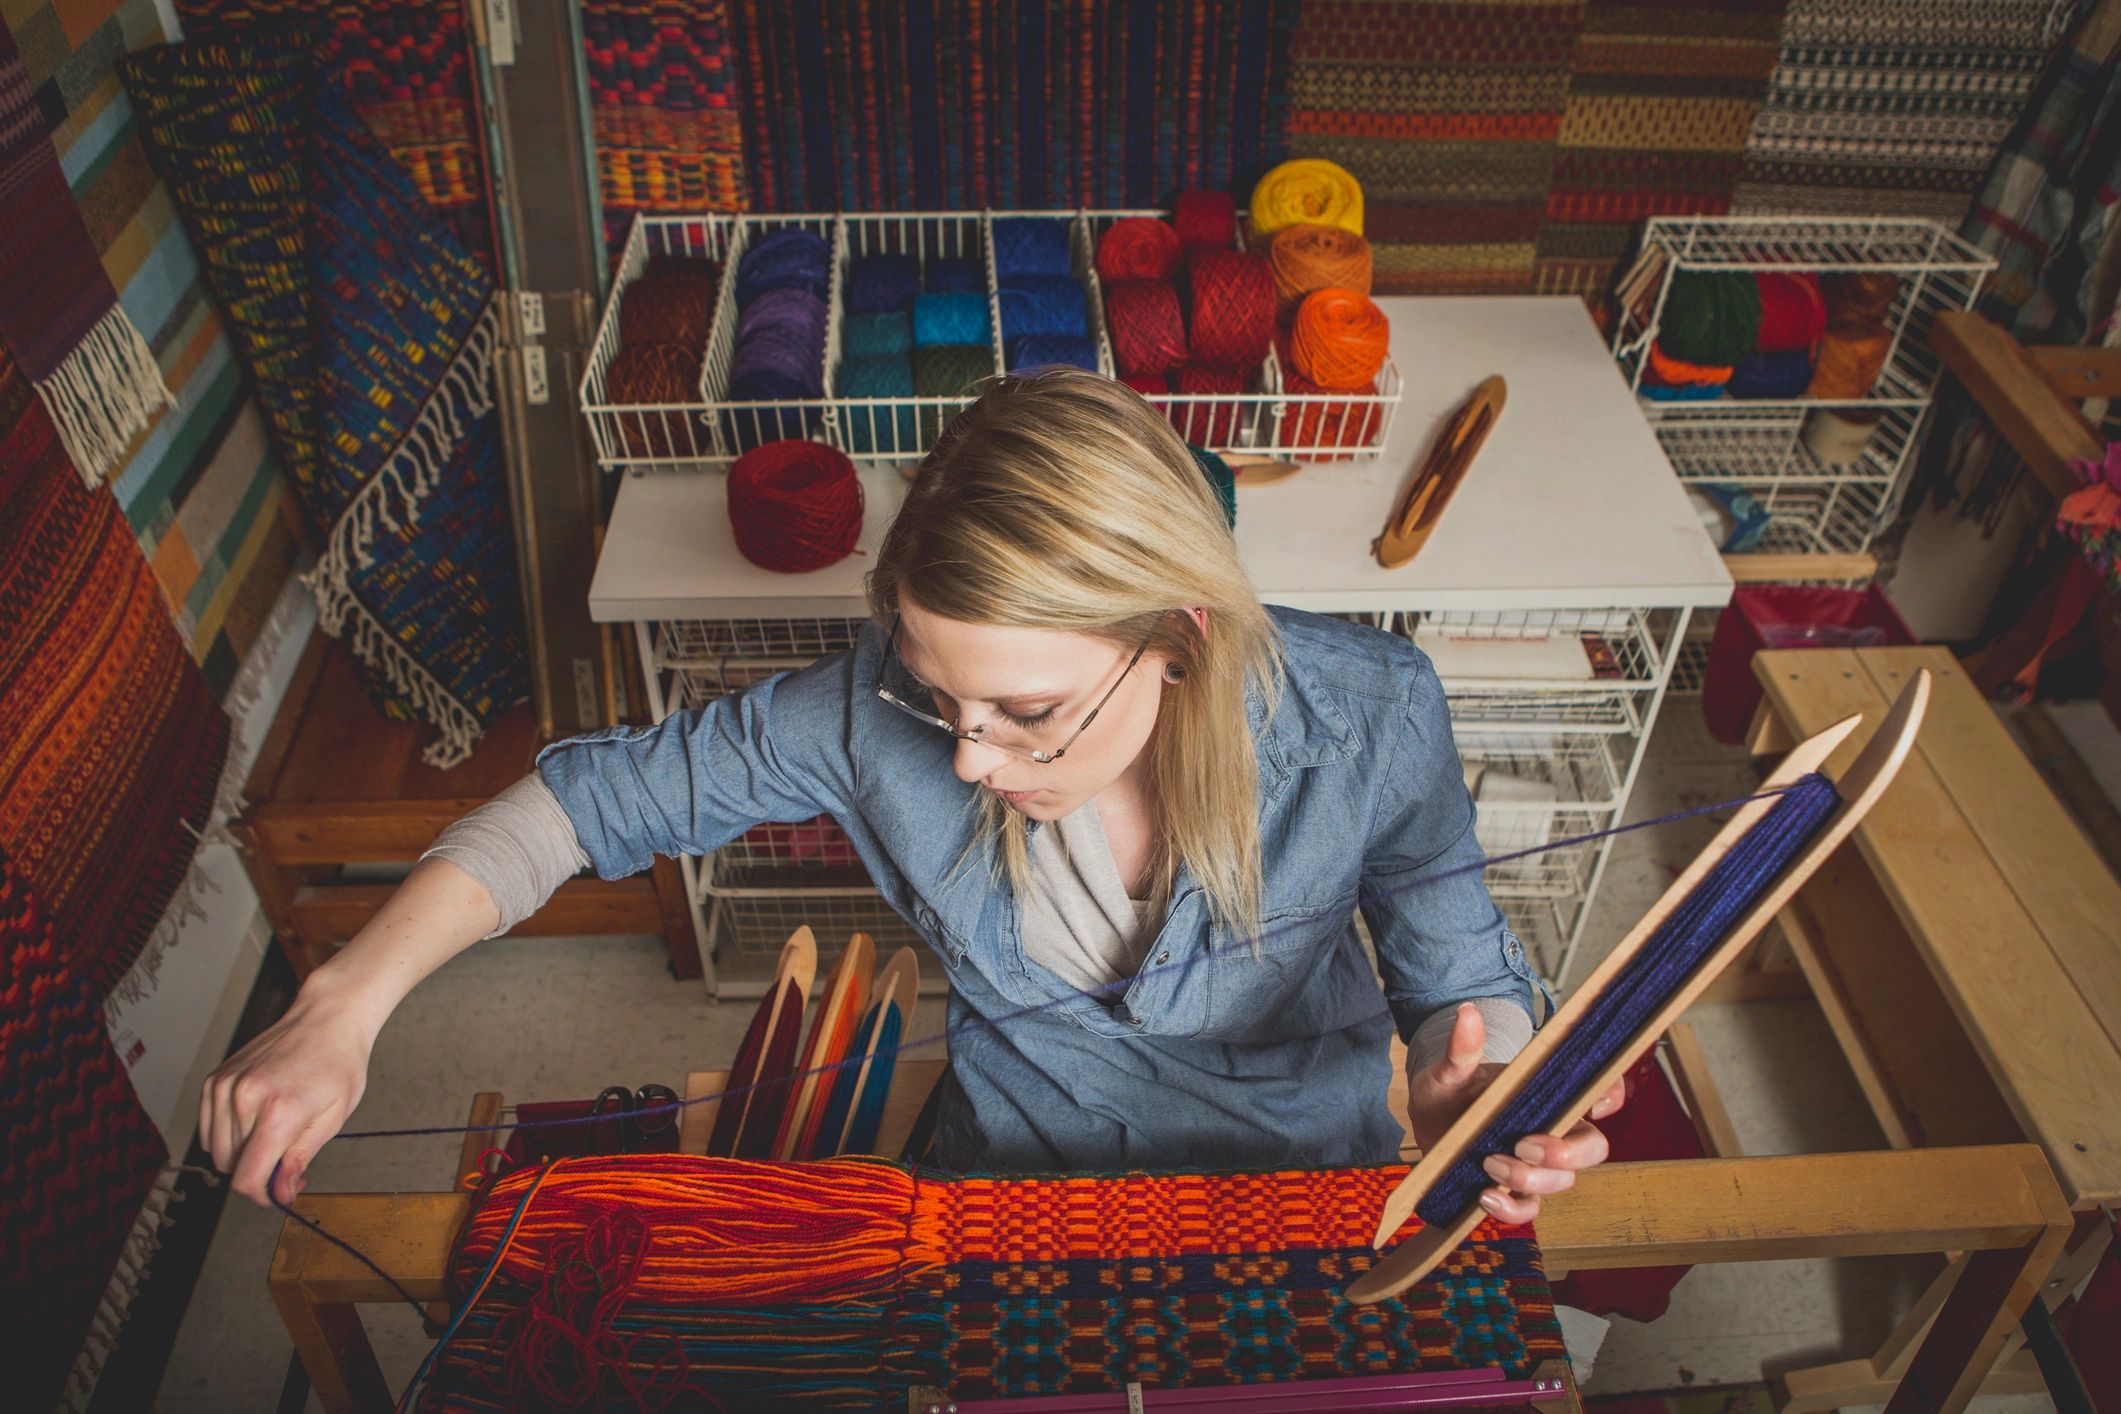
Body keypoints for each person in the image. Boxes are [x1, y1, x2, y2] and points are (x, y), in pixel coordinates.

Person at [204, 368, 1620, 1212]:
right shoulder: (866, 708)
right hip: (1007, 1176)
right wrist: (348, 1002)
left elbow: (1463, 982)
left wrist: (1475, 1085)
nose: (962, 758)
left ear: (1177, 637)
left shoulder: (1370, 708)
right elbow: (578, 805)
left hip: (1294, 1176)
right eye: (942, 697)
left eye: (1027, 711)